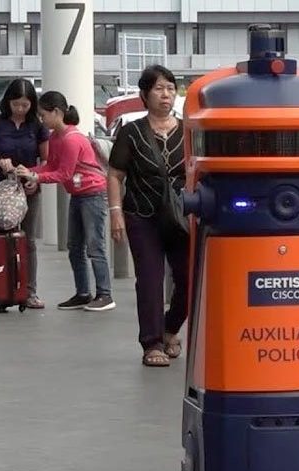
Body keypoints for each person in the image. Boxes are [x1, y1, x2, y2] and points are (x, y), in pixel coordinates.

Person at [107, 65, 188, 367]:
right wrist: (116, 213)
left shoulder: (189, 131)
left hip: (182, 216)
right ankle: (151, 342)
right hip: (143, 215)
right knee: (151, 279)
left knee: (189, 279)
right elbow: (115, 174)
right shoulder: (131, 132)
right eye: (158, 88)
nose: (166, 94)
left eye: (170, 88)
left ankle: (170, 328)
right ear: (144, 94)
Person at [15, 91, 114, 312]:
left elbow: (64, 173)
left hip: (92, 194)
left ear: (57, 112)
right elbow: (51, 166)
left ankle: (105, 294)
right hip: (79, 194)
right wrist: (29, 171)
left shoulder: (71, 139)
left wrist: (35, 176)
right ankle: (83, 293)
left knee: (95, 245)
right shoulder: (56, 137)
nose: (41, 119)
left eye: (43, 115)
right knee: (75, 246)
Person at [0, 78, 49, 309]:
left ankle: (28, 291)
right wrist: (0, 161)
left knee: (27, 240)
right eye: (16, 104)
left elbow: (46, 160)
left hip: (28, 189)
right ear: (8, 102)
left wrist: (34, 178)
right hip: (0, 190)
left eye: (25, 105)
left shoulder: (37, 127)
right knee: (0, 239)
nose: (20, 109)